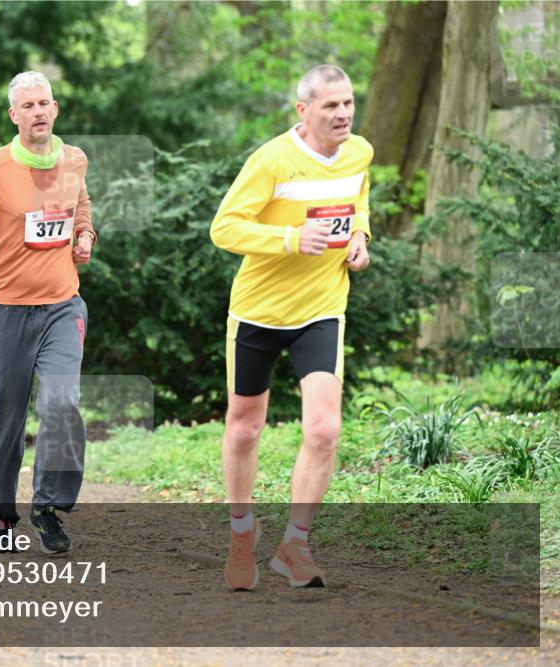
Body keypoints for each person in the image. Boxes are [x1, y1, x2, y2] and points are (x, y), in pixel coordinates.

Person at [209, 65, 372, 590]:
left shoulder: (360, 153)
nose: (343, 114)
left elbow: (357, 202)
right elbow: (224, 227)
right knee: (243, 429)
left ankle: (294, 545)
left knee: (324, 429)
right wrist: (289, 238)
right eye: (330, 106)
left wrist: (360, 239)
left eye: (347, 103)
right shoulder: (272, 159)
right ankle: (241, 535)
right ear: (303, 111)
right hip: (259, 311)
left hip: (322, 308)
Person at [0, 71, 96, 554]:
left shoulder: (74, 160)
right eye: (27, 106)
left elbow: (81, 205)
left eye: (44, 103)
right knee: (4, 424)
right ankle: (3, 513)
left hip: (61, 307)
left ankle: (48, 508)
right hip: (4, 312)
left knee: (62, 402)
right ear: (15, 115)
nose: (38, 112)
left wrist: (85, 235)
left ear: (56, 108)